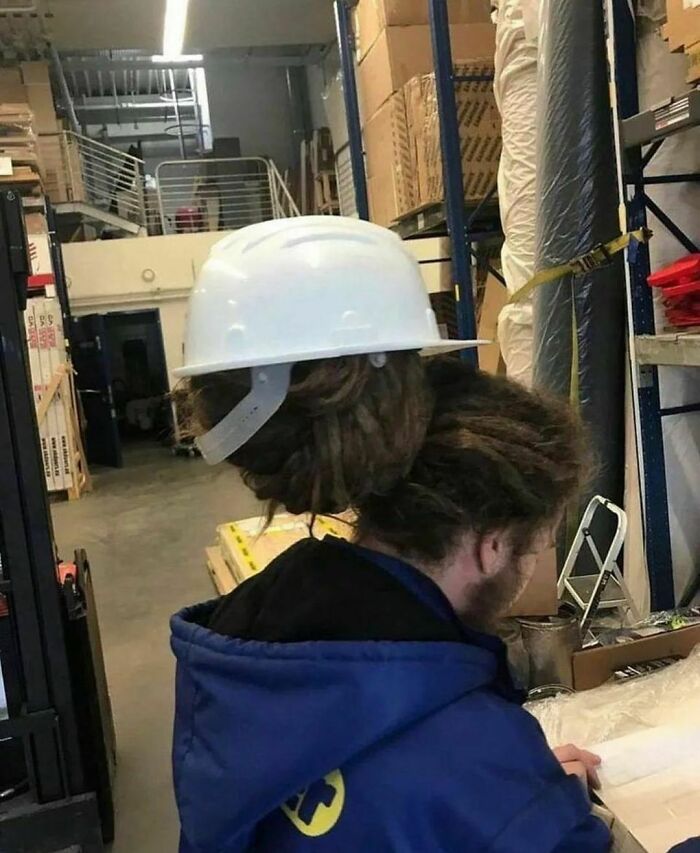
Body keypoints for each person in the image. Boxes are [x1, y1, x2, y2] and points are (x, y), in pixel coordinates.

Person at [170, 217, 611, 852]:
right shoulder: (480, 776)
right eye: (535, 543)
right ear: (492, 542)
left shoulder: (239, 654)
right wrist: (511, 807)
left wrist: (508, 795)